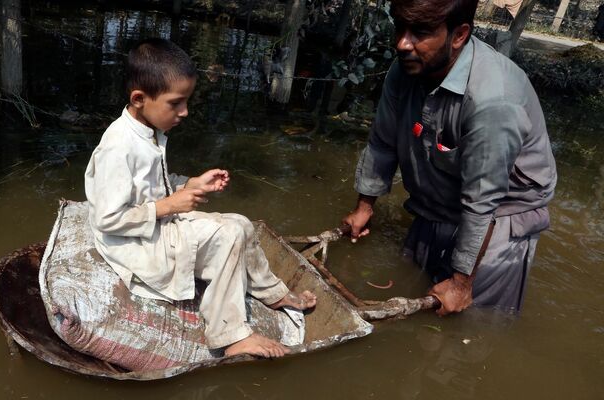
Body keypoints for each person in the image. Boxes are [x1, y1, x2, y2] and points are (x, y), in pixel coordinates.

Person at [84, 38, 316, 358]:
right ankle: (229, 334)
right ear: (139, 98)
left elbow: (151, 185)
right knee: (229, 233)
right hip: (133, 245)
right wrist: (169, 205)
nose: (185, 112)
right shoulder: (118, 146)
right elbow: (108, 219)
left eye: (186, 102)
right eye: (176, 103)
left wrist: (189, 184)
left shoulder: (149, 132)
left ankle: (272, 293)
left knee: (241, 224)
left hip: (151, 226)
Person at [342, 0, 556, 316]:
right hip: (437, 197)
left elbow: (484, 200)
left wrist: (461, 281)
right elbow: (382, 142)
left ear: (458, 35)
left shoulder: (493, 100)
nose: (402, 43)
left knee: (472, 323)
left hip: (499, 213)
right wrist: (364, 206)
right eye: (400, 28)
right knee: (412, 283)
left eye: (420, 32)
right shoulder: (406, 69)